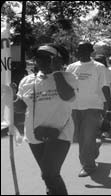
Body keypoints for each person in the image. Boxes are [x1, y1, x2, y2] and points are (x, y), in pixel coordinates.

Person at [13, 43, 78, 195]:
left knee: (49, 173)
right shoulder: (27, 80)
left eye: (47, 57)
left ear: (57, 59)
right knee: (47, 174)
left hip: (60, 133)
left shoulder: (68, 77)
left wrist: (56, 72)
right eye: (39, 57)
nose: (42, 61)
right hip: (34, 133)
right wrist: (11, 96)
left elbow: (67, 96)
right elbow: (21, 107)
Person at [66, 42, 111, 177]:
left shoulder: (99, 67)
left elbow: (105, 87)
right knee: (79, 137)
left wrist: (108, 107)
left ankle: (88, 166)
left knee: (86, 138)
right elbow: (67, 86)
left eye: (85, 49)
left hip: (93, 106)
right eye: (79, 49)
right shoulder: (71, 67)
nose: (81, 51)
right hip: (74, 107)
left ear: (91, 51)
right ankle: (94, 146)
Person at [94, 54, 111, 138]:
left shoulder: (107, 71)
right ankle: (97, 130)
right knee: (96, 115)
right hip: (95, 96)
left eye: (100, 60)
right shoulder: (93, 70)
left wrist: (108, 99)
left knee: (105, 114)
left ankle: (105, 130)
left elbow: (106, 86)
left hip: (105, 96)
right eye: (97, 60)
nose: (98, 62)